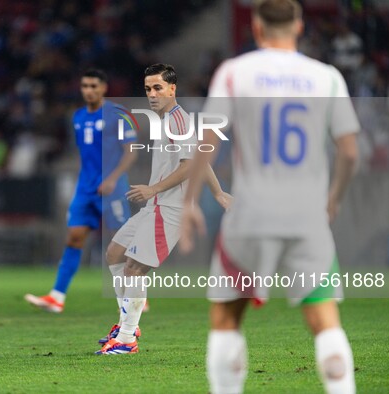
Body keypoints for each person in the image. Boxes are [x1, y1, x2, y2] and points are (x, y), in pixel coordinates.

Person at [180, 1, 359, 393]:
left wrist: (191, 200)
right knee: (325, 320)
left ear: (257, 29)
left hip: (250, 214)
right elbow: (349, 150)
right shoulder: (326, 77)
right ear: (298, 26)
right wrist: (335, 197)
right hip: (307, 217)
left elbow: (208, 141)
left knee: (227, 319)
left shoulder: (234, 74)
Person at [96, 64, 231, 355]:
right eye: (147, 89)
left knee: (134, 268)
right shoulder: (167, 120)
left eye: (158, 88)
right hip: (155, 205)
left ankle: (127, 339)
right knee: (114, 254)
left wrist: (153, 189)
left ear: (173, 89)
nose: (152, 94)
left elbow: (188, 166)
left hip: (170, 207)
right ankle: (126, 325)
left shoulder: (178, 121)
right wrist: (218, 192)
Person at [25, 69, 138, 313]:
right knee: (74, 237)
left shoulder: (118, 114)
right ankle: (57, 296)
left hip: (112, 187)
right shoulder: (77, 117)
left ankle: (136, 294)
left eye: (94, 86)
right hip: (85, 188)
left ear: (104, 88)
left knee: (121, 244)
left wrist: (113, 178)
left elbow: (131, 151)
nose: (89, 90)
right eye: (85, 86)